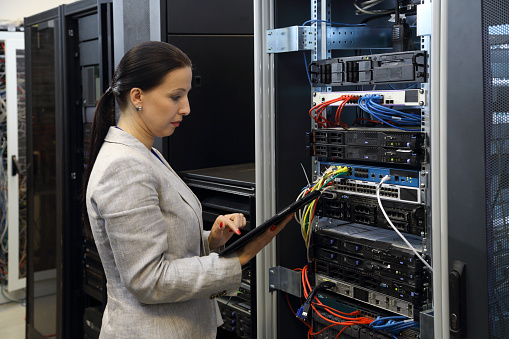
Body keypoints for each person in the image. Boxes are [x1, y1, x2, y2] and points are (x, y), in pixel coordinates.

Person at [82, 41, 292, 339]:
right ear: (137, 96)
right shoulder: (125, 166)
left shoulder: (146, 153)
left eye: (187, 95)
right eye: (175, 96)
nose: (186, 108)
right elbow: (148, 280)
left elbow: (161, 243)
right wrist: (238, 258)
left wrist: (212, 240)